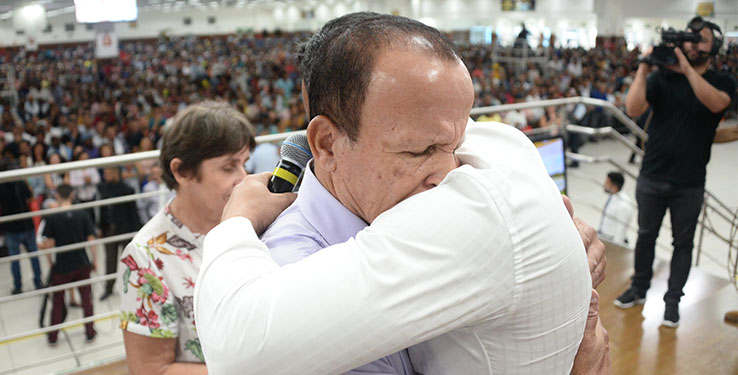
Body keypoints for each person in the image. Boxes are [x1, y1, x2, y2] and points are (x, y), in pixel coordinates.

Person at [196, 12, 609, 375]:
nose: (447, 174)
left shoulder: (470, 172)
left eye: (455, 145)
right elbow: (238, 349)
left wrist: (552, 256)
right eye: (419, 151)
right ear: (325, 143)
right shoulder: (287, 272)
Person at [117, 101, 255, 374]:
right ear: (181, 171)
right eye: (229, 167)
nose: (244, 178)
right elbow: (151, 370)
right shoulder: (146, 258)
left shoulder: (252, 220)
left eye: (244, 164)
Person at [617, 16, 736, 328]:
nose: (692, 45)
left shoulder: (723, 81)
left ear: (715, 47)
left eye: (701, 41)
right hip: (652, 174)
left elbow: (715, 104)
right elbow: (632, 108)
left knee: (682, 245)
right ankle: (638, 288)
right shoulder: (661, 79)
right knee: (645, 236)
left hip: (689, 182)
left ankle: (672, 303)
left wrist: (685, 69)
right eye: (689, 39)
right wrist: (643, 69)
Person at [40, 184, 98, 345]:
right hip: (82, 262)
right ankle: (90, 332)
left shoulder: (52, 217)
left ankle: (53, 337)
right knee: (87, 299)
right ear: (72, 195)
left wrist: (50, 262)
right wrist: (95, 261)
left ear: (57, 196)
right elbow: (92, 240)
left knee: (58, 301)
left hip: (62, 265)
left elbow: (49, 243)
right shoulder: (82, 214)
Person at [98, 166, 141, 300]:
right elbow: (102, 209)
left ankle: (135, 287)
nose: (105, 175)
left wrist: (136, 231)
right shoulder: (103, 188)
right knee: (110, 260)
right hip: (109, 230)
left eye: (108, 172)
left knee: (130, 260)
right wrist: (101, 227)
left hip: (125, 229)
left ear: (116, 173)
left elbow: (133, 212)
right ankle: (108, 288)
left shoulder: (127, 189)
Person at [0, 164, 43, 295]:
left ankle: (18, 286)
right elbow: (30, 197)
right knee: (33, 256)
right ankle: (38, 282)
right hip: (25, 224)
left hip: (11, 226)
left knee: (15, 259)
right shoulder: (20, 182)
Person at [598, 171, 635, 245]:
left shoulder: (624, 205)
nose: (604, 185)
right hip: (604, 236)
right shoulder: (613, 196)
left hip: (612, 241)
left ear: (614, 186)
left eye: (607, 182)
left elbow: (621, 229)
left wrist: (615, 248)